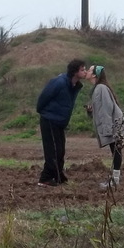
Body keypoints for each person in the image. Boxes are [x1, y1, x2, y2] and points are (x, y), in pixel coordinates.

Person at [35, 58, 87, 186]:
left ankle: (58, 175)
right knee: (52, 150)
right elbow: (43, 98)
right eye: (82, 69)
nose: (85, 71)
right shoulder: (59, 82)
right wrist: (46, 113)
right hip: (50, 120)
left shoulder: (74, 85)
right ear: (75, 72)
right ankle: (45, 178)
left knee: (60, 150)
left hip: (60, 122)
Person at [86, 64, 124, 189]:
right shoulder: (99, 88)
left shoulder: (100, 88)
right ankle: (115, 180)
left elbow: (106, 109)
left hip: (112, 126)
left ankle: (114, 181)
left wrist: (108, 130)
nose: (87, 72)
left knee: (115, 151)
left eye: (89, 70)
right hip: (113, 125)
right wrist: (91, 111)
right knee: (116, 151)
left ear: (94, 75)